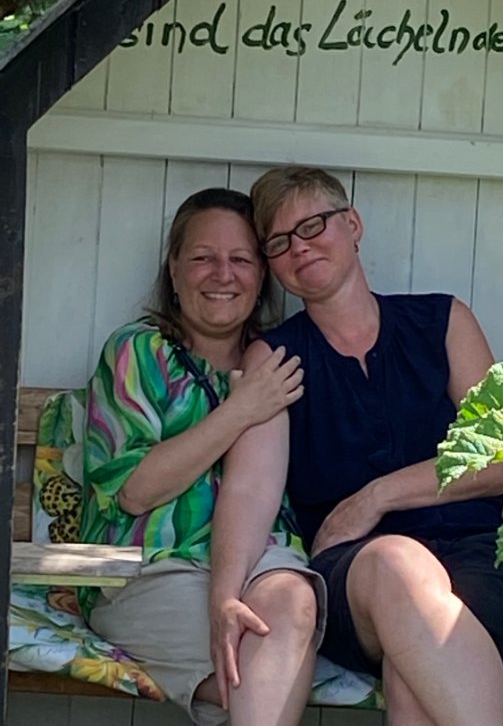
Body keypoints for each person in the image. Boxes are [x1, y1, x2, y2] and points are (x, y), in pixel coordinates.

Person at [211, 167, 503, 726]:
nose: (299, 247)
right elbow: (251, 486)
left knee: (415, 678)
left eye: (313, 225)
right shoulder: (274, 358)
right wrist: (226, 596)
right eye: (279, 242)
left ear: (352, 225)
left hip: (489, 555)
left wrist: (376, 497)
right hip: (356, 572)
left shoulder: (442, 322)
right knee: (395, 562)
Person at [79, 187, 325, 726]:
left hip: (263, 563)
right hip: (152, 569)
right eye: (202, 258)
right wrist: (241, 410)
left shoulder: (277, 361)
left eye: (241, 260)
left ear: (262, 275)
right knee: (260, 674)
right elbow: (135, 490)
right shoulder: (139, 352)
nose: (223, 274)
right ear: (173, 268)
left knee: (292, 603)